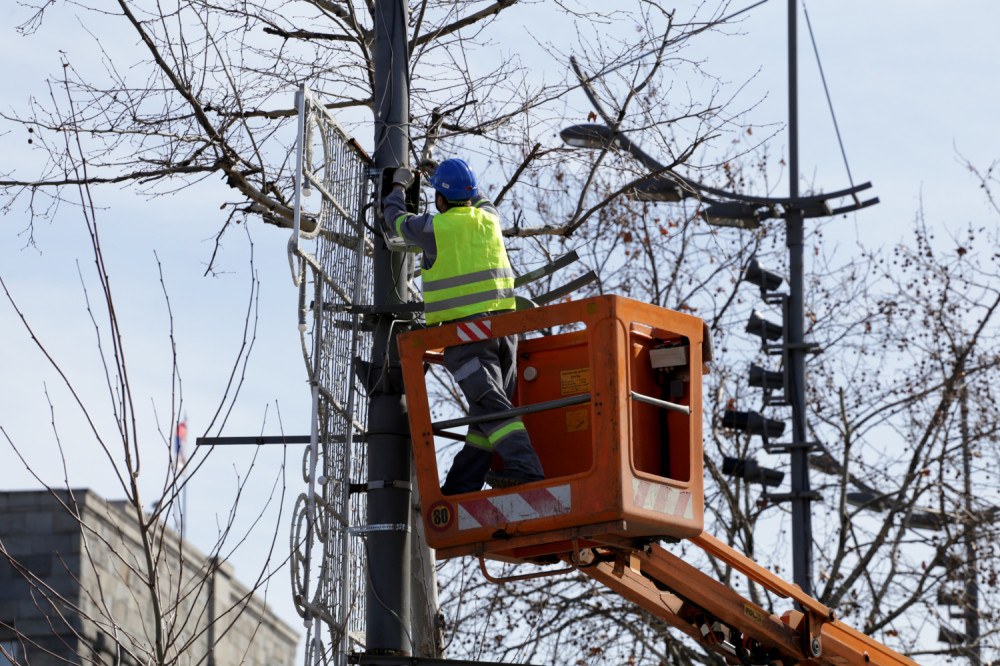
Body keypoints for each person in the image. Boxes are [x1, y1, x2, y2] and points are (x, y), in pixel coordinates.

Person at [383, 158, 544, 495]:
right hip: (506, 333)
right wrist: (442, 174)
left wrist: (397, 185)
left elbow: (395, 221)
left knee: (491, 404)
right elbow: (482, 198)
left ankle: (526, 468)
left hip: (468, 335)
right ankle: (462, 485)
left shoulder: (434, 228)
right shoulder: (489, 218)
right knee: (487, 408)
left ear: (440, 200)